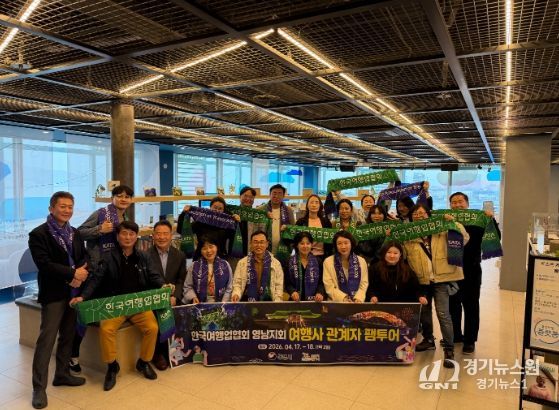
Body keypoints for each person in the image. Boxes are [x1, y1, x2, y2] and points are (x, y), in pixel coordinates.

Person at [71, 221, 165, 391]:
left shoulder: (143, 256)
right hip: (115, 305)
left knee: (152, 327)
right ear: (117, 236)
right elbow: (96, 279)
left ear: (136, 237)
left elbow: (153, 275)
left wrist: (163, 285)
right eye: (124, 233)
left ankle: (143, 362)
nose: (128, 237)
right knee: (106, 329)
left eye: (131, 234)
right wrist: (82, 297)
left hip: (137, 303)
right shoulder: (107, 257)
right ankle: (112, 366)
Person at [28, 191, 88, 409]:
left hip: (74, 293)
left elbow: (83, 257)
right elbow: (44, 264)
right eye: (62, 206)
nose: (67, 210)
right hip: (53, 294)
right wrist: (72, 274)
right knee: (47, 340)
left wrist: (81, 273)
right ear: (51, 208)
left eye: (70, 207)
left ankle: (62, 374)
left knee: (68, 336)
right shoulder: (38, 234)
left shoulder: (75, 233)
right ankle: (38, 388)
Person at [73, 184, 134, 373]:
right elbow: (79, 233)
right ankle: (72, 356)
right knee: (85, 313)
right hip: (96, 271)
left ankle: (109, 362)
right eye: (119, 195)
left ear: (131, 200)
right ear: (112, 198)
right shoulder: (101, 214)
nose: (123, 199)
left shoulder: (126, 218)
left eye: (127, 196)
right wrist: (100, 229)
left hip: (113, 271)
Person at [402, 204, 469, 369]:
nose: (419, 216)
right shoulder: (408, 236)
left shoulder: (442, 230)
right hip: (422, 281)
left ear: (429, 215)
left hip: (442, 279)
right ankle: (429, 339)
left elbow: (464, 238)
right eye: (415, 213)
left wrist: (453, 223)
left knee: (443, 314)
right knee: (424, 313)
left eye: (422, 213)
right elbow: (401, 255)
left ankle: (449, 349)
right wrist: (392, 237)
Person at [448, 192, 501, 354]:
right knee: (453, 304)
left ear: (467, 203)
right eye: (454, 202)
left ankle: (470, 340)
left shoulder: (479, 219)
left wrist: (491, 220)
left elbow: (495, 237)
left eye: (460, 201)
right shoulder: (447, 220)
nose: (457, 205)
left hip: (472, 268)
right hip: (451, 269)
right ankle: (456, 335)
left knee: (471, 304)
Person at [146, 220, 187, 371]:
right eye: (158, 234)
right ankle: (158, 354)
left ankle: (176, 350)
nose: (162, 237)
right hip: (154, 298)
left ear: (171, 235)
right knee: (156, 317)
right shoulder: (145, 255)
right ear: (153, 235)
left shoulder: (180, 255)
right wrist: (161, 297)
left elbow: (181, 280)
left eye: (165, 233)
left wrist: (175, 296)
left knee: (184, 314)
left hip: (173, 297)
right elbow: (145, 281)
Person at [366, 240, 427, 305]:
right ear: (384, 253)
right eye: (389, 252)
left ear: (400, 255)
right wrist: (372, 296)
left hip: (402, 307)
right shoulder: (374, 269)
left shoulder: (407, 270)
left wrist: (420, 297)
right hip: (380, 306)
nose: (392, 256)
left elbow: (416, 288)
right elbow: (370, 287)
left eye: (395, 253)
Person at [231, 231, 284, 302]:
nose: (259, 245)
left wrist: (277, 301)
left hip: (268, 301)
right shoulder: (242, 263)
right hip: (247, 301)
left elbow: (279, 286)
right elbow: (237, 283)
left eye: (262, 242)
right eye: (255, 242)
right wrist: (236, 294)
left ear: (267, 244)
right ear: (251, 244)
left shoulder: (276, 264)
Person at [183, 236, 233, 303]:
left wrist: (223, 303)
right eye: (204, 248)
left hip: (222, 304)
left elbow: (229, 287)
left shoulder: (225, 265)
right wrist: (193, 297)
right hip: (200, 304)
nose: (208, 251)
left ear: (216, 247)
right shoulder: (194, 266)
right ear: (201, 251)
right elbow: (188, 286)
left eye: (211, 247)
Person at [323, 230, 368, 302]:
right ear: (335, 246)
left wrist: (358, 298)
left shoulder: (361, 261)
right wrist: (343, 298)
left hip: (356, 302)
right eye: (339, 243)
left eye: (346, 243)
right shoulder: (328, 261)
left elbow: (364, 283)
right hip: (336, 302)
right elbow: (329, 286)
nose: (343, 246)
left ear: (351, 244)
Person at [283, 232, 325, 302]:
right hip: (295, 301)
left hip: (314, 301)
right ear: (297, 245)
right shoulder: (289, 261)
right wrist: (292, 292)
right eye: (302, 243)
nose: (305, 246)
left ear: (311, 245)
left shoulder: (318, 261)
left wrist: (320, 292)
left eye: (308, 243)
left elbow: (321, 282)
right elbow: (287, 283)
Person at [258, 184, 294, 254]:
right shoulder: (261, 210)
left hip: (284, 249)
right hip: (263, 249)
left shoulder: (289, 210)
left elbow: (292, 229)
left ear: (283, 196)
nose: (277, 196)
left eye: (280, 194)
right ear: (270, 195)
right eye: (274, 193)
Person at [295, 194, 332, 261]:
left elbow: (330, 241)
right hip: (305, 257)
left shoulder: (326, 222)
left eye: (316, 202)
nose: (314, 205)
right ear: (307, 205)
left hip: (323, 257)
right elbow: (295, 240)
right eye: (311, 202)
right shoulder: (300, 222)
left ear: (320, 205)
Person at [236, 186, 266, 256]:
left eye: (251, 197)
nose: (248, 199)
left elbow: (262, 234)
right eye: (245, 196)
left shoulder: (257, 215)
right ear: (240, 197)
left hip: (252, 253)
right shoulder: (233, 212)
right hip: (235, 251)